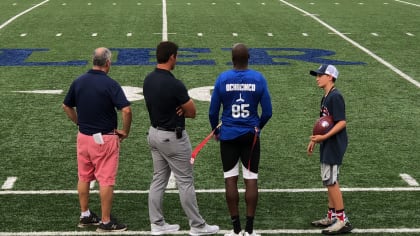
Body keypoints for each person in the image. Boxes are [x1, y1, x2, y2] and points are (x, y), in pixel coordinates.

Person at [142, 41, 219, 236]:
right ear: (172, 57)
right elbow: (192, 111)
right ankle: (197, 225)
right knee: (185, 181)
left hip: (154, 133)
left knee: (158, 179)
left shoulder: (148, 79)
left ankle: (157, 223)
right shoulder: (175, 84)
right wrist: (181, 111)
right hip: (172, 137)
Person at [62, 47, 132, 232]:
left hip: (83, 137)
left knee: (84, 176)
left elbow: (66, 106)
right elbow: (126, 110)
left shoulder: (79, 81)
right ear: (108, 63)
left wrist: (79, 122)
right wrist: (125, 131)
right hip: (104, 139)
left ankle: (85, 215)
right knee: (106, 179)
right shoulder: (110, 84)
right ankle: (106, 221)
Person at [208, 43, 273, 236]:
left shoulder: (223, 78)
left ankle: (236, 230)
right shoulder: (259, 78)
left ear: (232, 59)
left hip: (228, 134)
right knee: (251, 179)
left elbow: (213, 112)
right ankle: (250, 229)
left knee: (230, 179)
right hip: (250, 135)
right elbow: (268, 112)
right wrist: (257, 127)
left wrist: (215, 131)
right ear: (248, 58)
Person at [307, 64, 353, 235]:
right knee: (328, 180)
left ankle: (342, 221)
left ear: (330, 77)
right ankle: (332, 216)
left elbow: (342, 122)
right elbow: (324, 124)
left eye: (321, 75)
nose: (317, 78)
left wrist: (324, 138)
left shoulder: (335, 97)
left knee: (332, 181)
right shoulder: (326, 97)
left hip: (334, 144)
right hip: (327, 143)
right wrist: (315, 140)